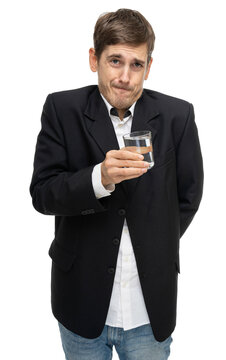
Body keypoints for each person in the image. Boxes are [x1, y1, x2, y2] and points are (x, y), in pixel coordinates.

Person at [30, 8, 203, 360]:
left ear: (149, 67)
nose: (125, 77)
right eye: (115, 61)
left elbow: (188, 195)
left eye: (136, 64)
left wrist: (155, 239)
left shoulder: (177, 115)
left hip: (148, 306)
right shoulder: (61, 109)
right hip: (80, 298)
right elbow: (43, 193)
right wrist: (100, 178)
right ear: (95, 59)